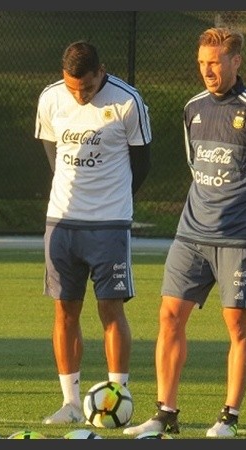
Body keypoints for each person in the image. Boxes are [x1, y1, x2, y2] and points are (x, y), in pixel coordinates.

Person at [123, 27, 246, 439]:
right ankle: (165, 412)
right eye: (202, 62)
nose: (207, 70)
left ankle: (229, 417)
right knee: (169, 317)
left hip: (239, 238)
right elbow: (196, 165)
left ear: (236, 62)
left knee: (237, 325)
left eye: (215, 62)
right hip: (190, 233)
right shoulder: (193, 108)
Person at [34, 40, 152, 424]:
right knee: (65, 310)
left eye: (85, 86)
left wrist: (111, 200)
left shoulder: (128, 101)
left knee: (110, 308)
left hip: (110, 224)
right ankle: (70, 403)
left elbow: (142, 164)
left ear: (101, 71)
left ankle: (117, 398)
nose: (78, 94)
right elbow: (53, 155)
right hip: (62, 223)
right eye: (72, 87)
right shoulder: (50, 98)